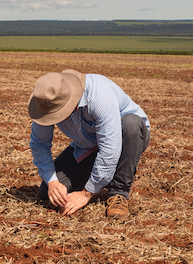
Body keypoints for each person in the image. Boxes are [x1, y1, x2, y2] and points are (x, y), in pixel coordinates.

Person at [28, 69, 150, 218]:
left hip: (128, 139)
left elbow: (110, 148)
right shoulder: (46, 103)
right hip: (87, 147)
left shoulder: (99, 95)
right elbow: (39, 143)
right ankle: (100, 178)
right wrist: (52, 182)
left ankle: (119, 192)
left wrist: (86, 194)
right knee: (47, 194)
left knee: (130, 123)